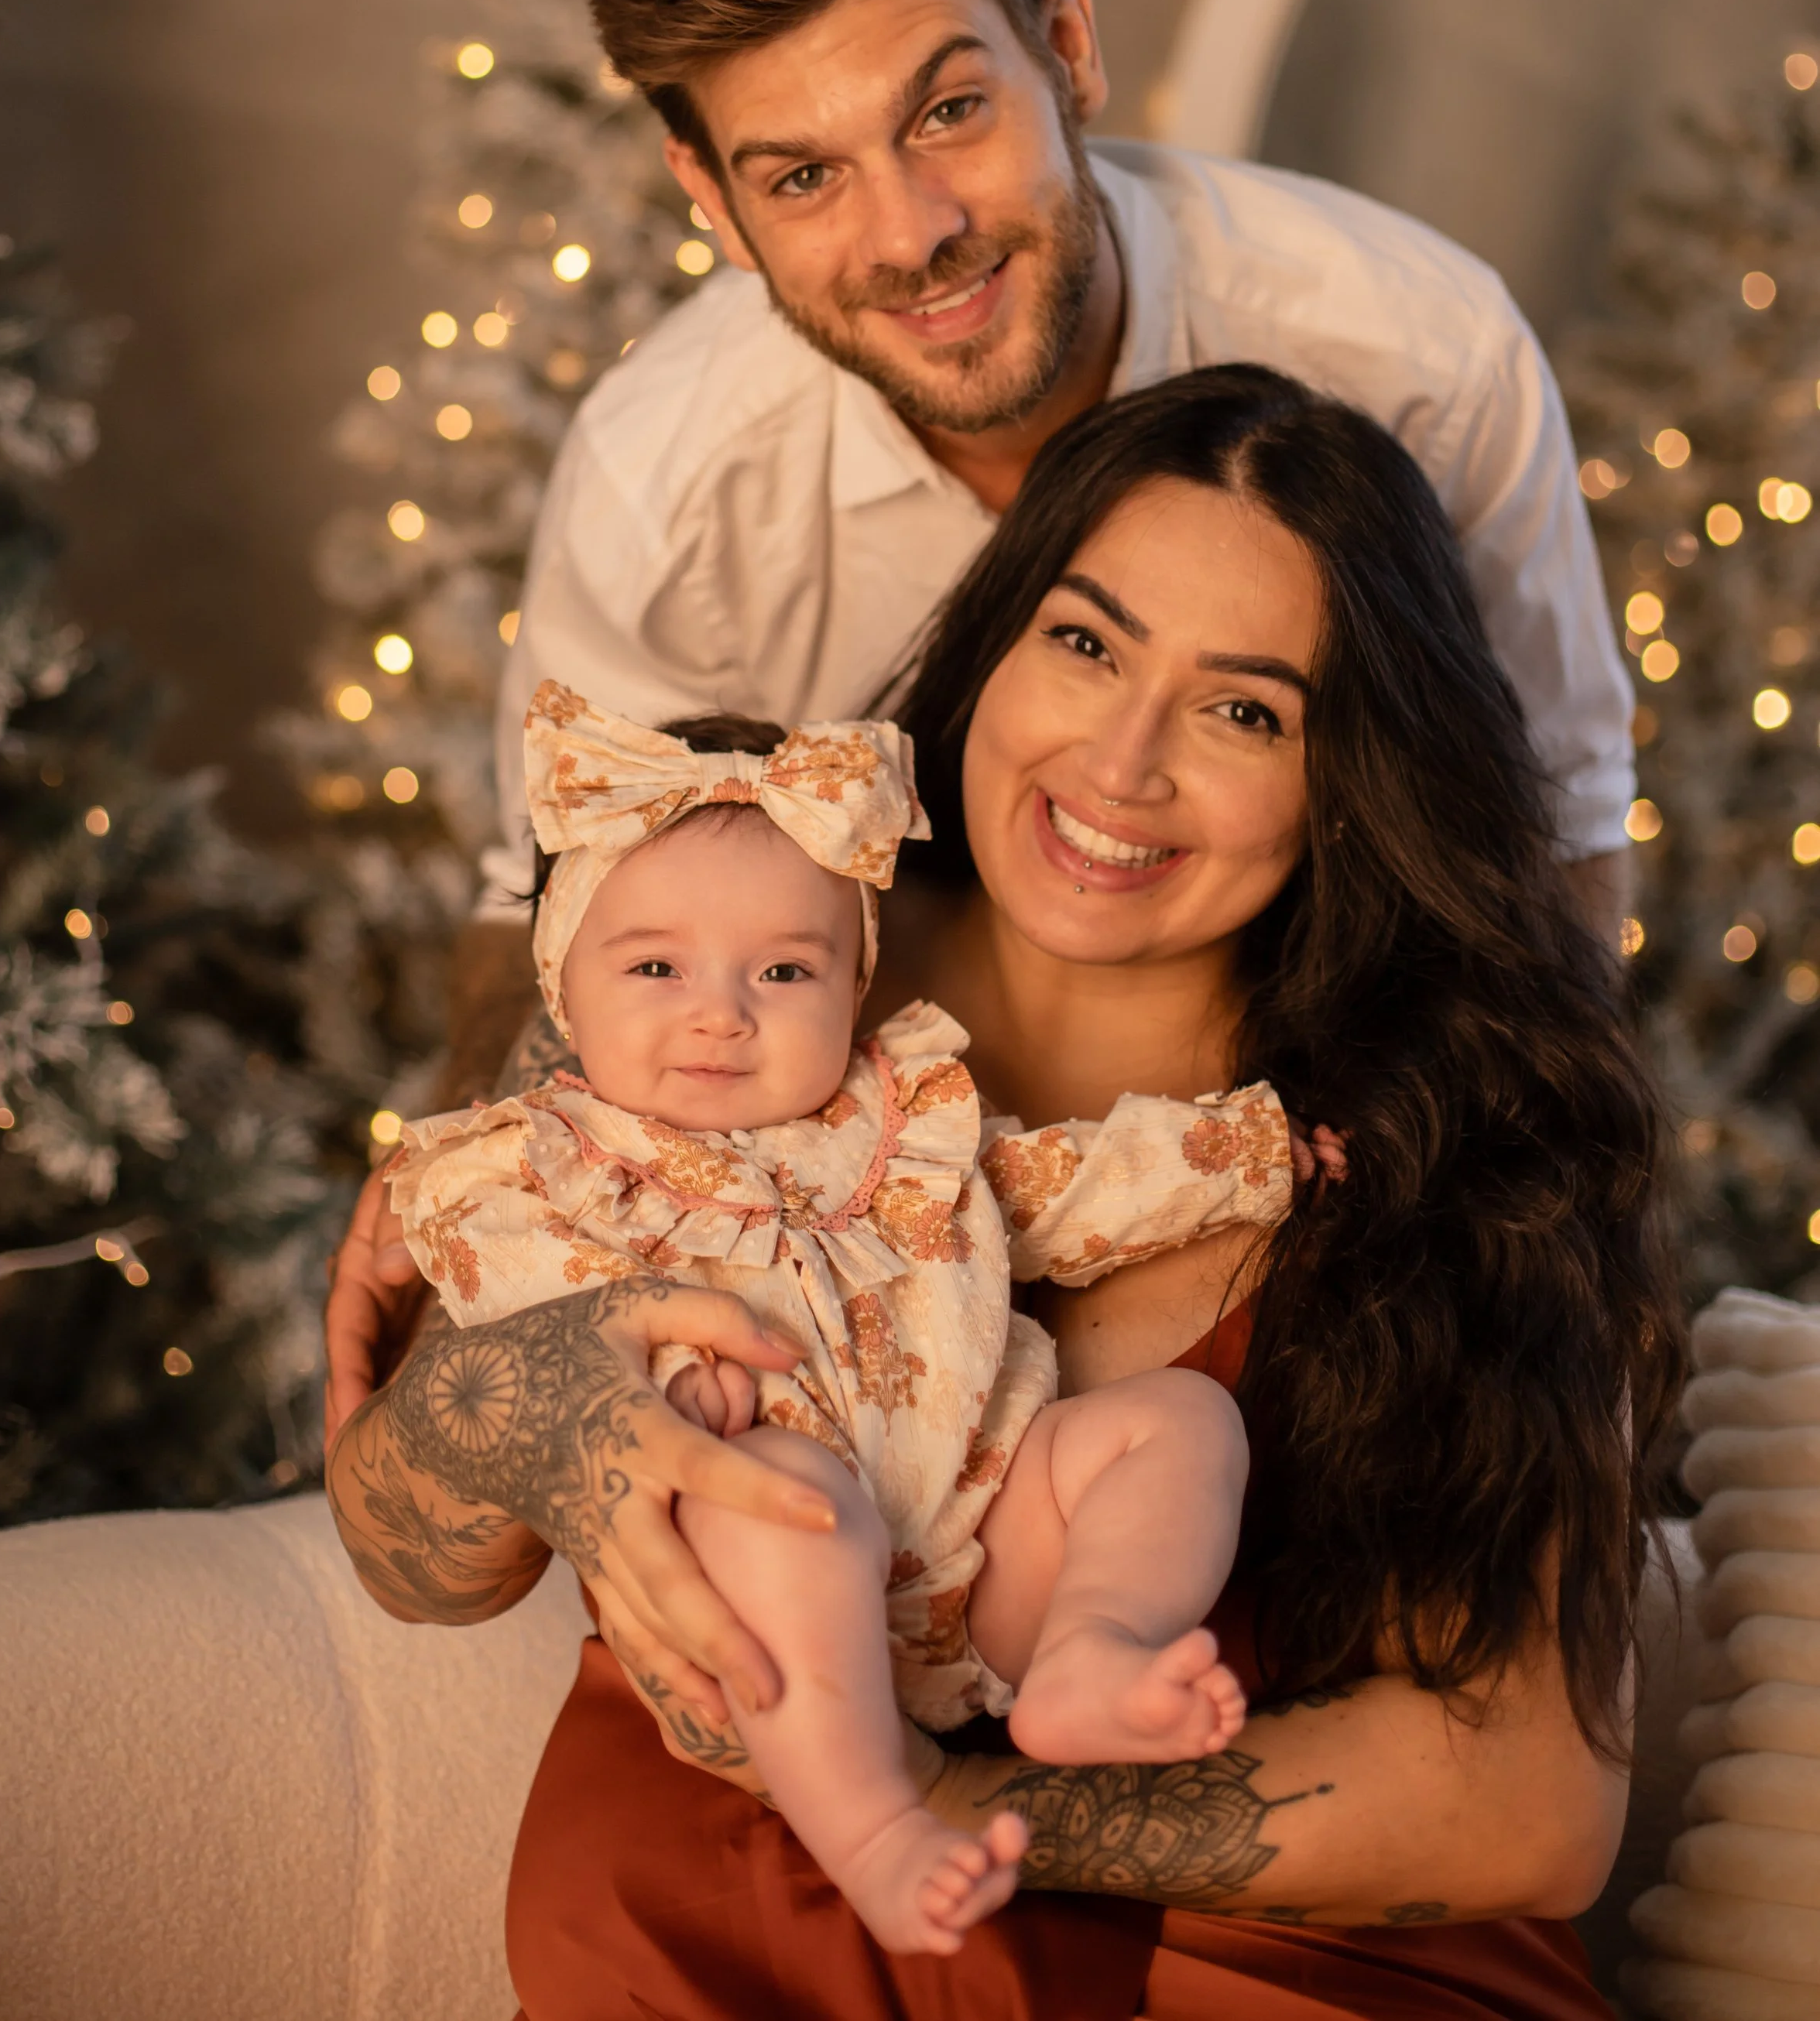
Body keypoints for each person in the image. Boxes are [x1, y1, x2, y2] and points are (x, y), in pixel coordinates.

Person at [327, 367, 1682, 2020]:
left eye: (1242, 709)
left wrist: (941, 1806)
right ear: (994, 639)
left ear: (1349, 783)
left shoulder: (1440, 1141)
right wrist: (498, 1399)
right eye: (1087, 642)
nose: (1120, 763)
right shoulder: (733, 951)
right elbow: (414, 1558)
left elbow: (1528, 1814)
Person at [325, 0, 1637, 1434]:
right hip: (844, 1255)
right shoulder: (667, 485)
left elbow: (1554, 841)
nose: (914, 232)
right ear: (705, 201)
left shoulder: (1417, 357)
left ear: (1066, 43)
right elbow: (566, 910)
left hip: (1307, 1201)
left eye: (947, 110)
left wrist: (1554, 1280)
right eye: (799, 178)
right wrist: (477, 1225)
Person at [387, 683, 1304, 1954]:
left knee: (1178, 1421)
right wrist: (644, 1384)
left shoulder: (904, 1122)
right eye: (655, 965)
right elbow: (519, 1305)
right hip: (772, 1553)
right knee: (789, 1504)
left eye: (784, 969)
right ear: (563, 984)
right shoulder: (535, 1167)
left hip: (984, 1545)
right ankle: (875, 1824)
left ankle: (1096, 1646)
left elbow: (1066, 1187)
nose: (722, 1010)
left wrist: (1253, 1152)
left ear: (854, 982)